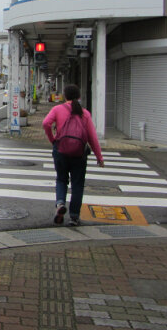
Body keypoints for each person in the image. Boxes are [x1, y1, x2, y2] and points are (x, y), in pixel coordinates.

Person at [42, 84, 104, 226]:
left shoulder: (57, 109)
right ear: (79, 97)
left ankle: (60, 204)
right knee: (77, 184)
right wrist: (99, 157)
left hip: (61, 150)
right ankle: (74, 217)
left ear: (65, 96)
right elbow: (92, 138)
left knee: (61, 180)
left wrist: (53, 140)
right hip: (79, 153)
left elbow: (46, 123)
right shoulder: (84, 113)